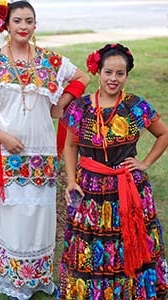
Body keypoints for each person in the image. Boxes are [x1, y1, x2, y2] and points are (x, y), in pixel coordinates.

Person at [0, 0, 90, 299]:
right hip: (5, 154)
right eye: (18, 20)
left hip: (42, 151)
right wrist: (4, 138)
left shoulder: (51, 62)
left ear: (35, 25)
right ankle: (9, 278)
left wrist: (62, 101)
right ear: (6, 25)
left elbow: (82, 78)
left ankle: (37, 277)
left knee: (39, 215)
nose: (23, 26)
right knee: (11, 215)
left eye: (29, 21)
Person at [58, 43, 168, 299]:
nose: (113, 79)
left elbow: (163, 134)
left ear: (127, 75)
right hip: (90, 187)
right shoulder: (81, 108)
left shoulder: (135, 107)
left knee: (127, 241)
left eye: (120, 73)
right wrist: (71, 181)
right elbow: (70, 145)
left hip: (128, 186)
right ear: (98, 71)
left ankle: (129, 291)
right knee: (92, 243)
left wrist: (145, 163)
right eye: (108, 72)